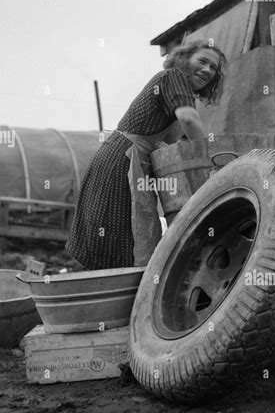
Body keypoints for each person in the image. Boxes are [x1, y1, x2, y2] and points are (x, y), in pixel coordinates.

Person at [65, 39, 227, 270]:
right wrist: (212, 160)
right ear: (183, 59)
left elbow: (180, 142)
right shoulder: (173, 77)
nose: (208, 70)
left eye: (214, 68)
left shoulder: (179, 90)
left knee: (126, 234)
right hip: (120, 162)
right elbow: (189, 120)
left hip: (125, 161)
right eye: (202, 61)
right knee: (119, 234)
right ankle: (110, 296)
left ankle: (111, 294)